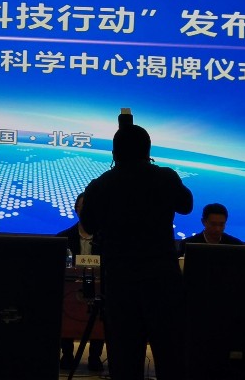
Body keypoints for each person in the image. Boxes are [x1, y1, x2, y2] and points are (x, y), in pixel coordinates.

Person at [81, 122, 193, 380]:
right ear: (148, 150)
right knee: (171, 355)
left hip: (120, 282)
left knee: (124, 359)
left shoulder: (101, 184)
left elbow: (87, 226)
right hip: (162, 280)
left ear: (114, 154)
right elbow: (186, 205)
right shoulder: (165, 177)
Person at [58, 192, 105, 373]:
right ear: (76, 210)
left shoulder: (107, 239)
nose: (87, 211)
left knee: (101, 313)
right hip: (70, 290)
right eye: (83, 207)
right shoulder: (63, 238)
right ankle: (67, 355)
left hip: (100, 289)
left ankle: (95, 356)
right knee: (65, 306)